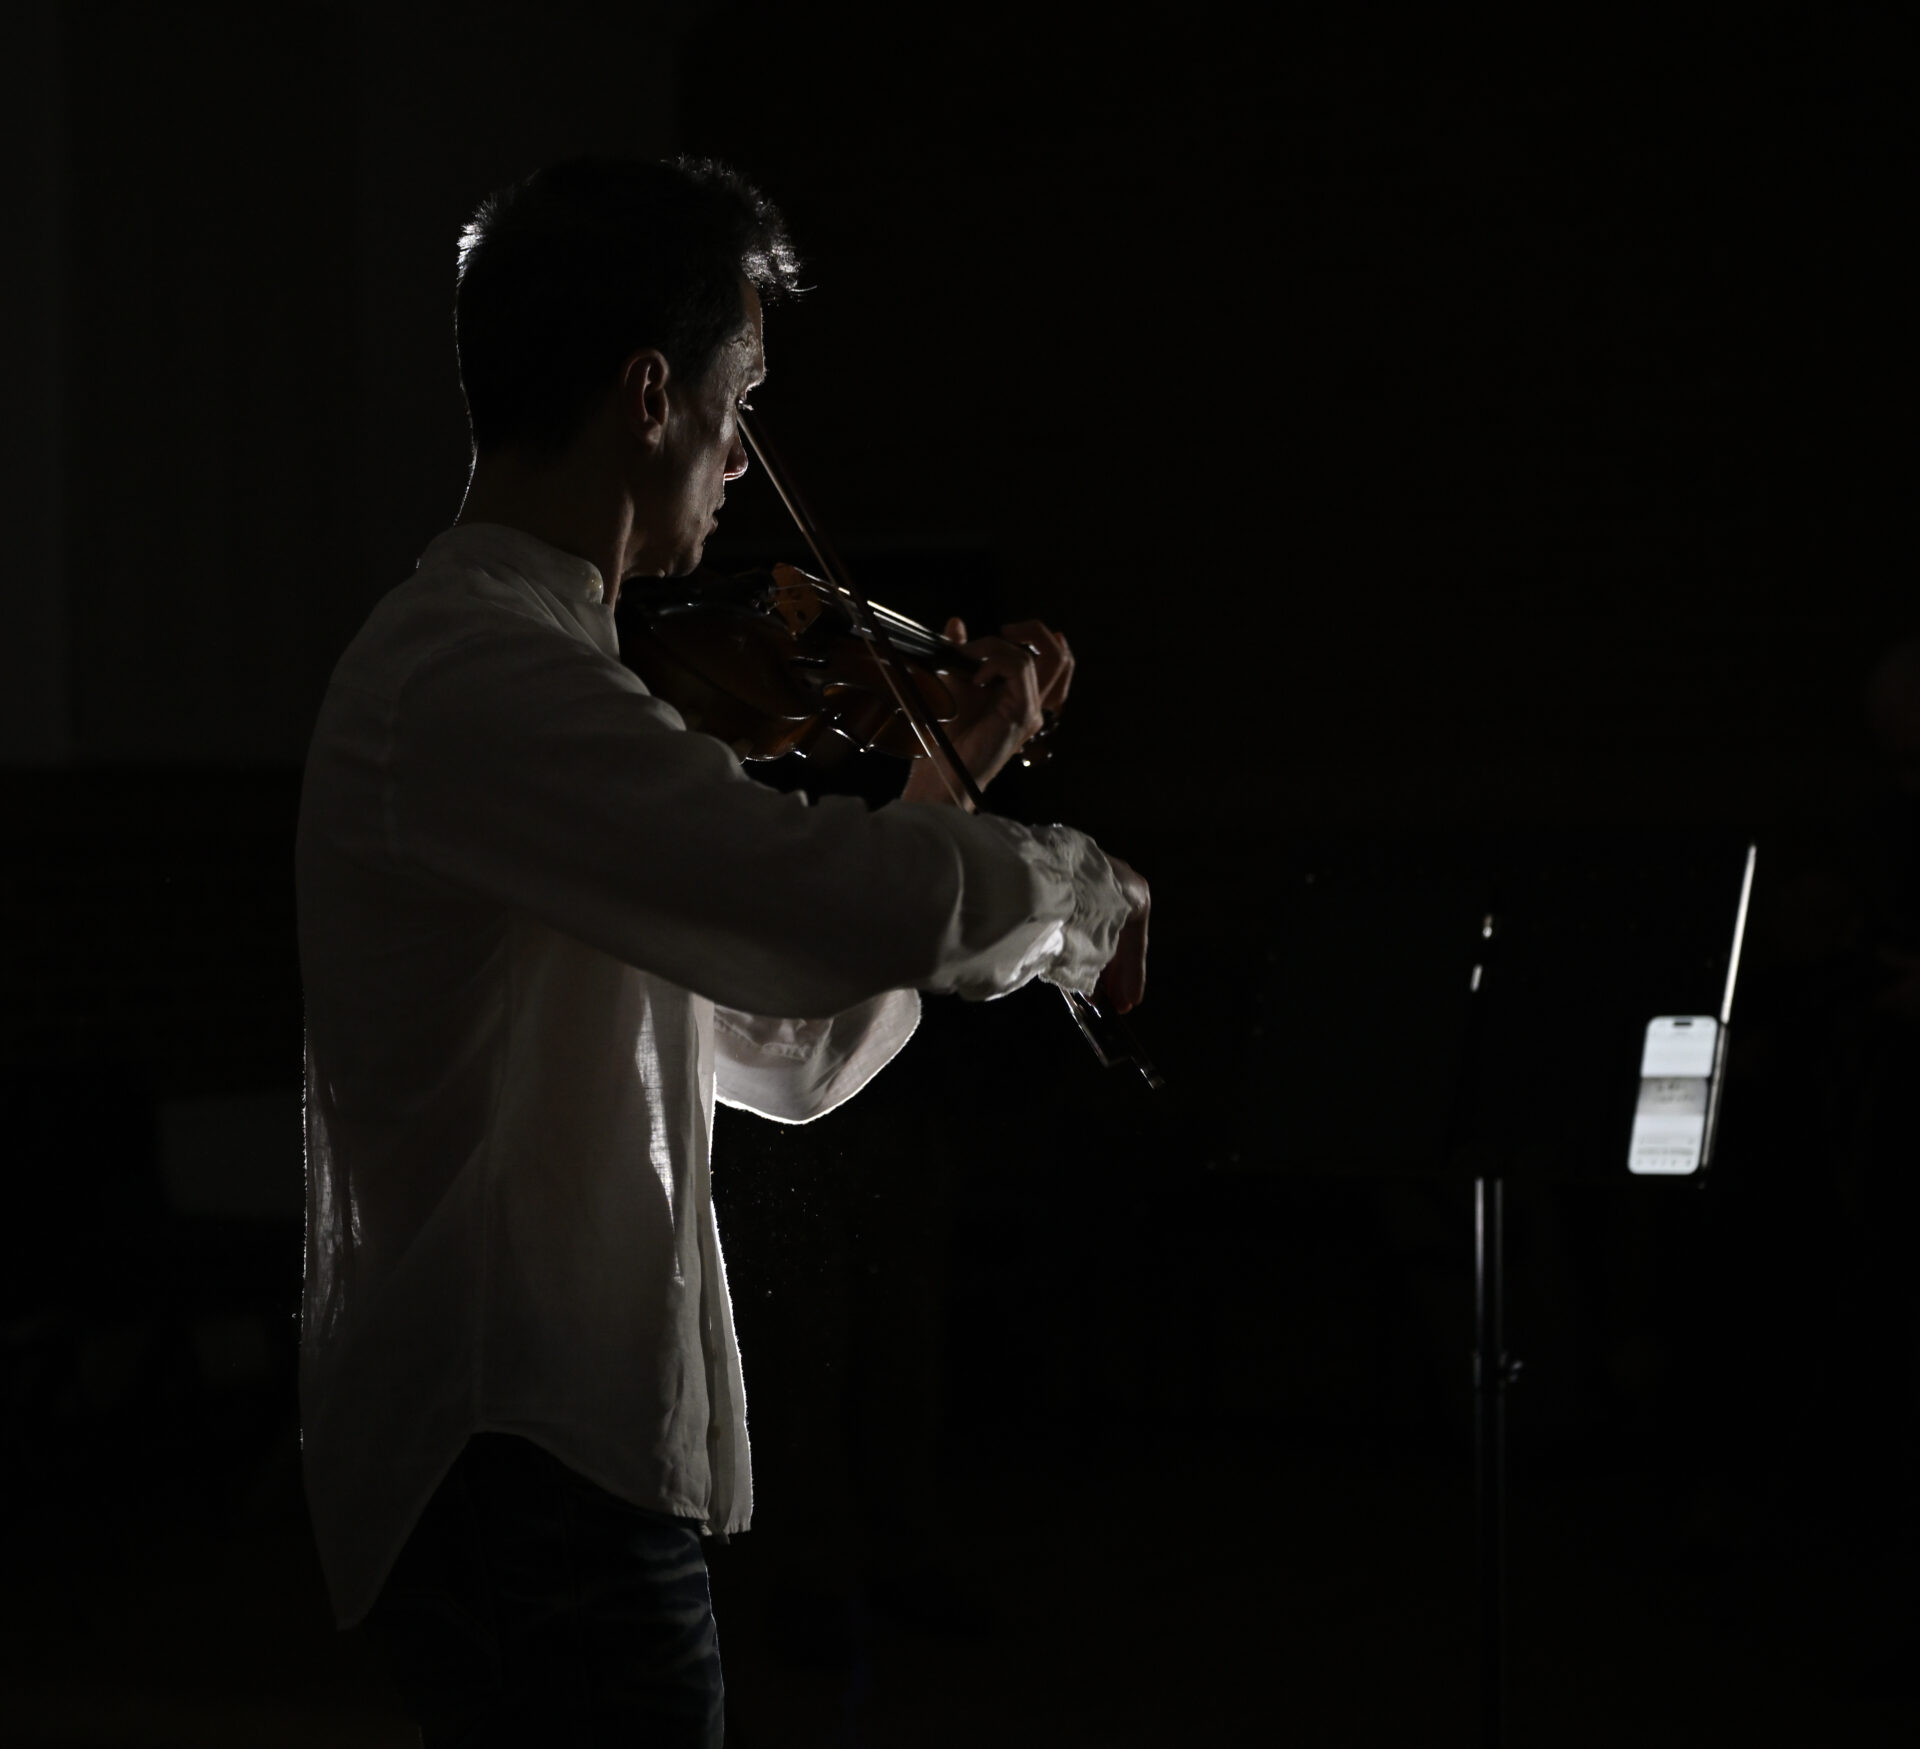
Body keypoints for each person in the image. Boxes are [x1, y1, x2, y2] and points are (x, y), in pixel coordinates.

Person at [295, 155, 1149, 1746]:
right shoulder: (479, 679)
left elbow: (790, 1041)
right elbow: (819, 902)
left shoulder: (557, 690)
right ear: (648, 394)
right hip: (516, 1465)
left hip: (559, 1463)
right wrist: (1076, 890)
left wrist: (945, 773)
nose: (743, 455)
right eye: (736, 397)